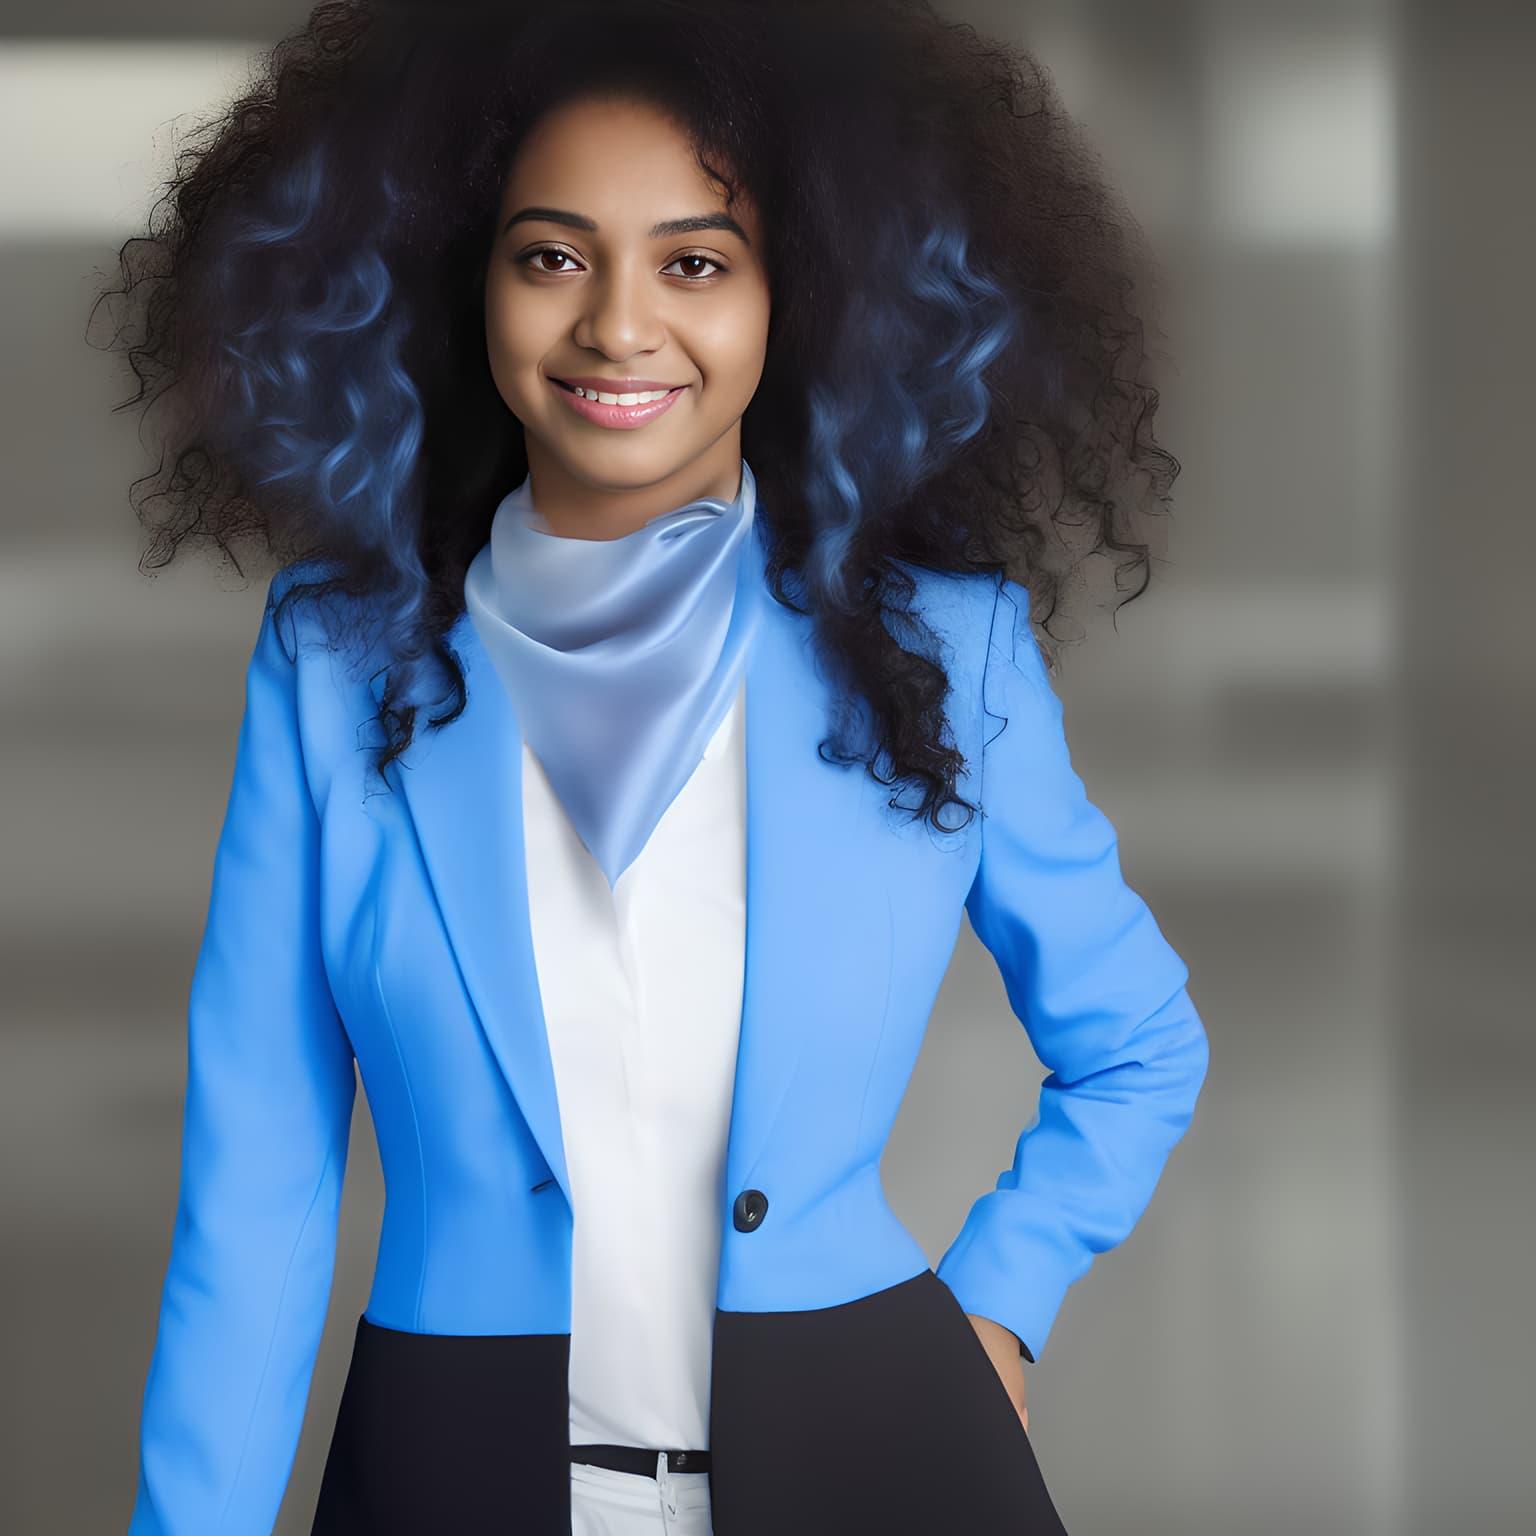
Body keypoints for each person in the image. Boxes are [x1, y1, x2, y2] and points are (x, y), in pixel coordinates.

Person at [95, 2, 1210, 1532]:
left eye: (697, 262)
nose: (619, 326)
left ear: (797, 297)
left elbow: (1137, 1041)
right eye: (552, 256)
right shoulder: (332, 666)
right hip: (452, 1487)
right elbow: (258, 1184)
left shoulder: (945, 651)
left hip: (883, 1476)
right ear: (457, 279)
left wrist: (1003, 1302)